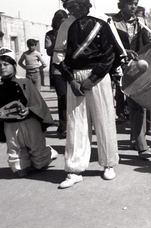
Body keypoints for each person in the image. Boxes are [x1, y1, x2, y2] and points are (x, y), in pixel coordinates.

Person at [58, 0, 123, 188]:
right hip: (75, 78)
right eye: (67, 6)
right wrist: (71, 79)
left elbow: (110, 54)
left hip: (98, 76)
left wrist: (92, 78)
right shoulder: (66, 24)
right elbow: (59, 57)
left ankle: (108, 164)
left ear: (84, 3)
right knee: (76, 122)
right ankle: (74, 169)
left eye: (73, 5)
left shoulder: (102, 21)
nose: (69, 10)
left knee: (104, 119)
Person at [0, 47, 58, 178]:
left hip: (29, 121)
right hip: (10, 125)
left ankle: (47, 153)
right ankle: (22, 165)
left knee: (39, 161)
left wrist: (30, 110)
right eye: (0, 65)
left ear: (14, 66)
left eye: (6, 64)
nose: (2, 67)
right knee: (15, 152)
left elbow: (37, 102)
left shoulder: (24, 82)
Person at [113, 0, 151, 157]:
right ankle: (139, 143)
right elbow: (109, 45)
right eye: (130, 3)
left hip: (138, 68)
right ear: (121, 4)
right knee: (134, 104)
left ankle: (139, 143)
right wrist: (124, 52)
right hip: (119, 68)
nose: (133, 7)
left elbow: (147, 45)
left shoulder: (141, 23)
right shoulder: (113, 23)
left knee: (137, 103)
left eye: (135, 3)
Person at [45, 10, 68, 139]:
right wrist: (59, 36)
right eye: (60, 21)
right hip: (57, 70)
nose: (63, 23)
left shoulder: (72, 32)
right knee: (62, 97)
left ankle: (72, 125)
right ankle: (63, 126)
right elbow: (49, 51)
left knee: (72, 98)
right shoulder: (50, 34)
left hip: (71, 69)